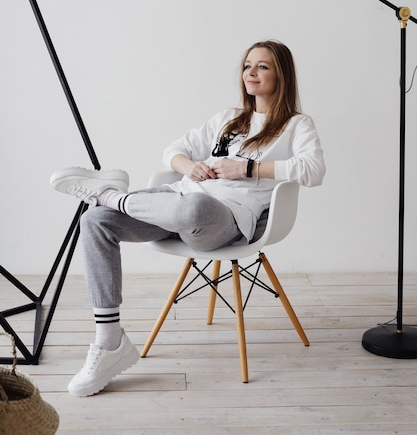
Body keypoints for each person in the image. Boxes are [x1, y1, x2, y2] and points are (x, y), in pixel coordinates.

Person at [50, 39, 325, 397]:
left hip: (224, 220)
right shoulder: (228, 119)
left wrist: (247, 167)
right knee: (95, 222)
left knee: (191, 210)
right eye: (247, 65)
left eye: (262, 66)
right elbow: (172, 151)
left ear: (282, 75)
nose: (251, 73)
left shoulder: (295, 125)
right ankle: (110, 341)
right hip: (177, 200)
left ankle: (112, 197)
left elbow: (313, 170)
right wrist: (190, 167)